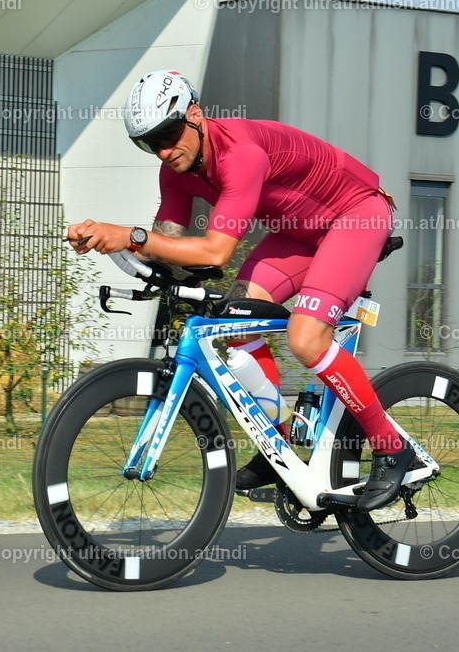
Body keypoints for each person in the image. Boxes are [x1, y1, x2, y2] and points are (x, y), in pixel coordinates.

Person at [66, 70, 414, 512]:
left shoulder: (241, 155)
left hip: (355, 215)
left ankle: (390, 446)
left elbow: (214, 252)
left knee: (306, 338)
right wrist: (105, 241)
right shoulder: (175, 170)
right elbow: (166, 240)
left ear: (195, 115)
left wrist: (129, 235)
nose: (166, 150)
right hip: (297, 234)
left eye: (170, 134)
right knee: (234, 325)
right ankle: (279, 447)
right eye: (151, 143)